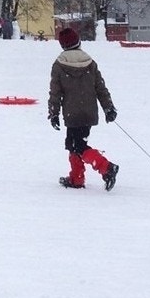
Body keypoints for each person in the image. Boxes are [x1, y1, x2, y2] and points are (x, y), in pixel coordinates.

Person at [47, 26, 119, 191]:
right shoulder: (90, 63)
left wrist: (54, 113)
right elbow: (100, 88)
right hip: (88, 112)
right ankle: (76, 178)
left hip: (71, 113)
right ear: (78, 42)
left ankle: (106, 167)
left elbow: (55, 93)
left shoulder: (58, 65)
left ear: (62, 45)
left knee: (78, 146)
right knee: (73, 144)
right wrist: (108, 108)